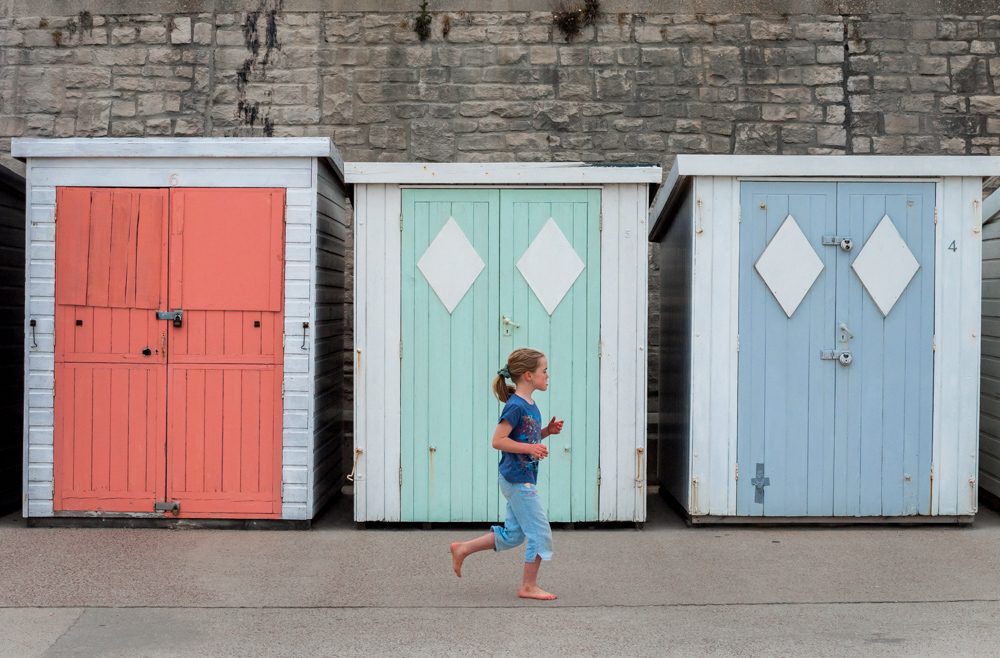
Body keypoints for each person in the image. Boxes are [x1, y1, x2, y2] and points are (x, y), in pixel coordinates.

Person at [449, 347, 565, 600]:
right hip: (517, 480)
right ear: (528, 375)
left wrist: (546, 432)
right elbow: (498, 440)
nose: (548, 375)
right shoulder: (515, 406)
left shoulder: (530, 405)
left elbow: (524, 436)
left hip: (520, 478)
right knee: (540, 531)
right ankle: (528, 586)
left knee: (514, 535)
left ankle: (463, 549)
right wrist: (531, 447)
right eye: (544, 371)